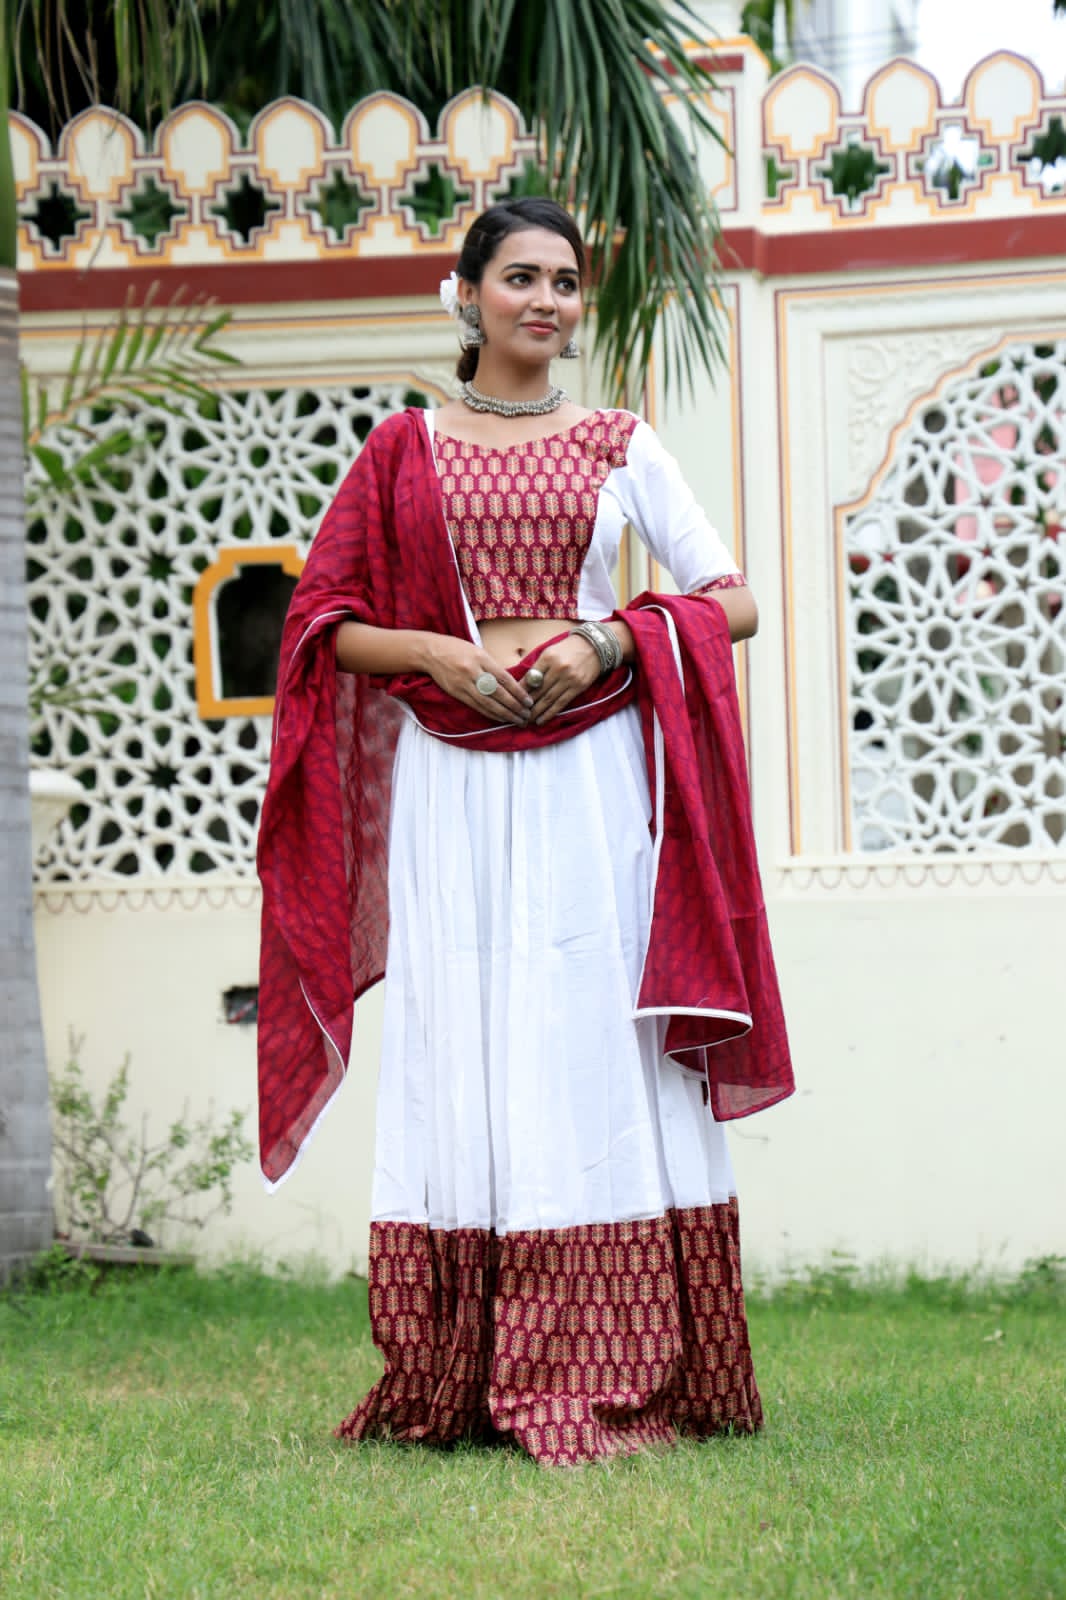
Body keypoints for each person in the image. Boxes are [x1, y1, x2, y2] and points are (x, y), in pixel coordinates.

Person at [256, 197, 793, 1467]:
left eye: (564, 281)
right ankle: (459, 1367)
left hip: (593, 772)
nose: (545, 301)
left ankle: (615, 1360)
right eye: (519, 277)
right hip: (454, 773)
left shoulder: (619, 442)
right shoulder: (401, 450)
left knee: (586, 1030)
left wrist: (611, 634)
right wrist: (440, 647)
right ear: (466, 292)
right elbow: (320, 626)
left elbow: (734, 598)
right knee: (468, 1031)